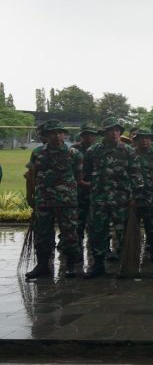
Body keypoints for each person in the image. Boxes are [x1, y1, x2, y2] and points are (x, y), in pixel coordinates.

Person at [82, 117, 143, 278]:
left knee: (123, 233)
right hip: (99, 199)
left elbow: (136, 176)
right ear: (104, 133)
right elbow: (87, 175)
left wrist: (135, 197)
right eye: (110, 130)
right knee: (98, 232)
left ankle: (125, 266)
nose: (114, 133)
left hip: (122, 200)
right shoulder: (93, 151)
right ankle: (98, 266)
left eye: (117, 130)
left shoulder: (128, 151)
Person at [24, 120, 84, 279]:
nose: (57, 136)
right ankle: (43, 265)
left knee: (70, 234)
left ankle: (70, 265)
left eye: (60, 132)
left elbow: (78, 177)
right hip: (44, 200)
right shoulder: (37, 152)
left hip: (67, 201)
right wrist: (30, 196)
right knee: (42, 234)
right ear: (46, 135)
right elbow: (32, 175)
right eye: (53, 133)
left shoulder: (74, 153)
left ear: (64, 134)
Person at [70, 122, 100, 260]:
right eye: (86, 134)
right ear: (81, 135)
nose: (89, 137)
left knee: (97, 223)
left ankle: (98, 250)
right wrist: (79, 182)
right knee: (78, 221)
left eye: (92, 134)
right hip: (78, 191)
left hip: (98, 191)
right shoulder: (73, 150)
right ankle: (77, 249)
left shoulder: (100, 149)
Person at [132, 129, 153, 262]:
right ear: (135, 140)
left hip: (151, 196)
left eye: (147, 138)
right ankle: (130, 251)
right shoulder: (129, 154)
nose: (144, 140)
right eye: (141, 138)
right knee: (131, 226)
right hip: (132, 197)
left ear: (151, 140)